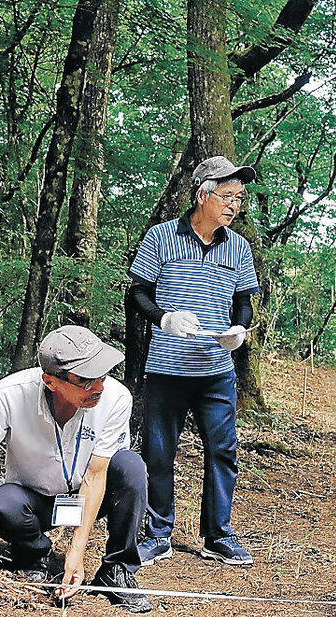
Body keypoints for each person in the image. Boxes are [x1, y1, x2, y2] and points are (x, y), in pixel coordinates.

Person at [0, 326, 151, 614]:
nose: (98, 386)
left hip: (87, 497)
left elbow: (96, 475)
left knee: (131, 467)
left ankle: (117, 569)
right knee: (4, 503)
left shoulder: (115, 398)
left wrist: (76, 551)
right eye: (86, 380)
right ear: (50, 381)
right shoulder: (8, 395)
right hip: (34, 502)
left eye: (102, 375)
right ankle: (33, 555)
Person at [129, 155, 259, 568]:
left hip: (216, 371)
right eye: (227, 195)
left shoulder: (238, 247)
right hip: (166, 368)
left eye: (239, 197)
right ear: (202, 195)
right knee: (159, 453)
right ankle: (158, 533)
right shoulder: (161, 237)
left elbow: (243, 303)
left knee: (223, 451)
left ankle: (218, 534)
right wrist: (163, 317)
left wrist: (238, 330)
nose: (234, 204)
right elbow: (137, 294)